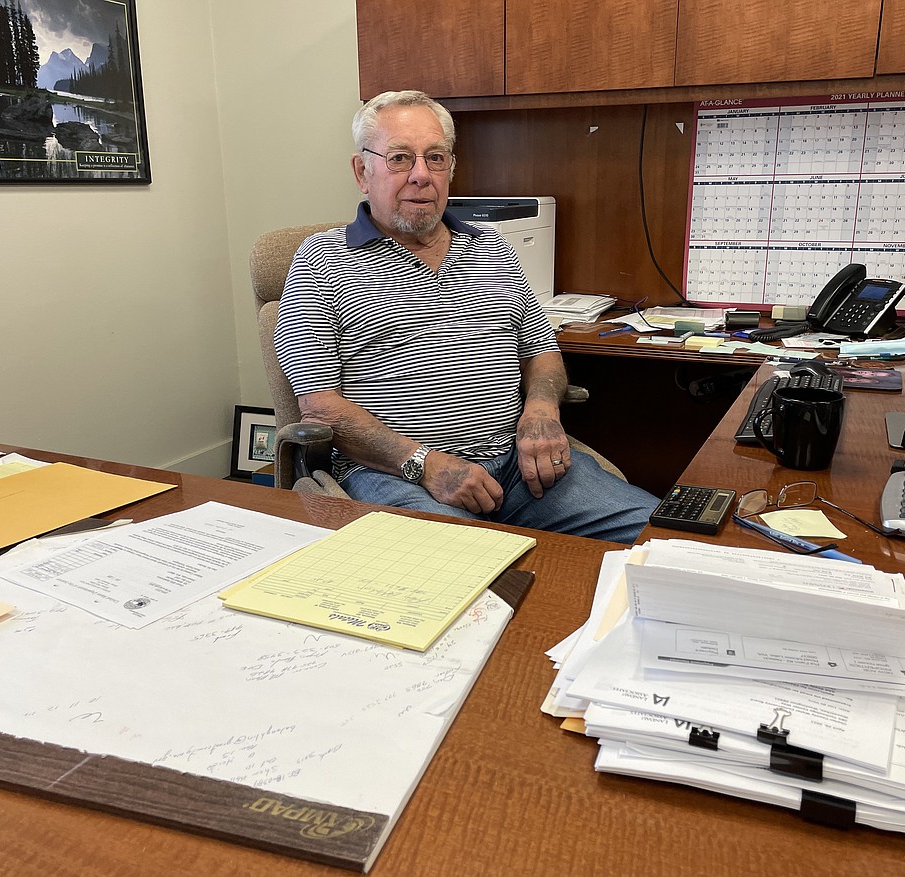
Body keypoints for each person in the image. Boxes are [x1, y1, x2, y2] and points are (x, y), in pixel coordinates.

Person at [275, 90, 659, 543]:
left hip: (517, 470)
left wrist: (540, 409)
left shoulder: (493, 248)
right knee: (467, 577)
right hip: (397, 474)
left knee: (670, 539)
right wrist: (426, 465)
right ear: (362, 171)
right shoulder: (321, 261)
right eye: (400, 158)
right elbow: (320, 405)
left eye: (435, 158)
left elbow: (542, 352)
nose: (421, 175)